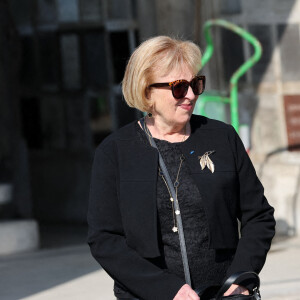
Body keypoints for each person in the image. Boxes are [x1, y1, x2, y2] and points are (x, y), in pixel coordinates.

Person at [87, 36, 275, 300]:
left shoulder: (221, 137)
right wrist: (167, 290)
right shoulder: (115, 151)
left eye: (195, 84)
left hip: (223, 294)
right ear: (147, 91)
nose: (190, 95)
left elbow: (259, 216)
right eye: (178, 87)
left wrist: (242, 277)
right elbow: (105, 239)